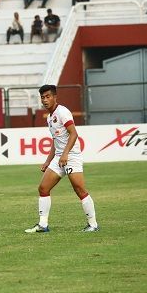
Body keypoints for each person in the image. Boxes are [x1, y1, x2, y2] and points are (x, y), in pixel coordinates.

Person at [25, 85, 99, 233]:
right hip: (59, 157)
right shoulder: (50, 117)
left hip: (71, 156)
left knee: (79, 189)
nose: (45, 100)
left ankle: (93, 225)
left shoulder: (62, 112)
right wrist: (47, 161)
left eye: (48, 96)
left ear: (54, 97)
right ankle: (43, 225)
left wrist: (65, 154)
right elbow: (55, 140)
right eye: (43, 97)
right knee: (43, 188)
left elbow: (74, 134)